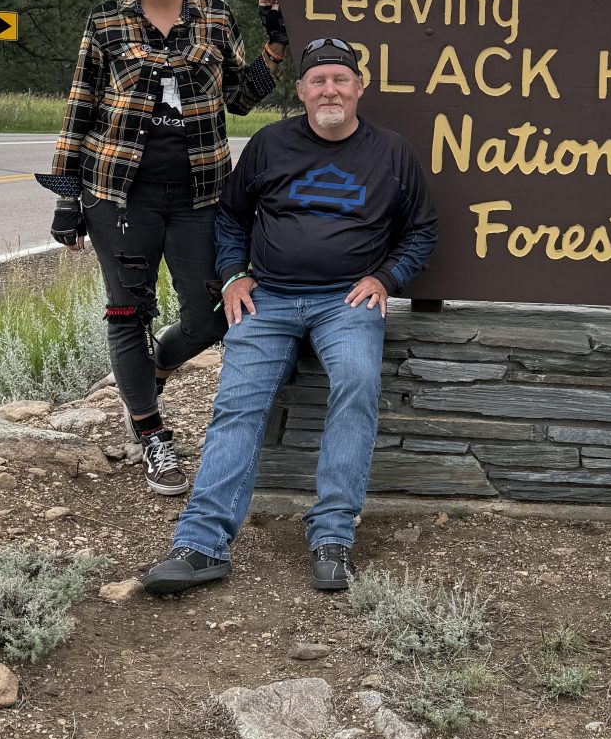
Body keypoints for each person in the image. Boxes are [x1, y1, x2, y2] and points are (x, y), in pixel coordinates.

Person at [139, 37, 437, 597]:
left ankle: (332, 537)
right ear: (301, 91)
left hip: (346, 301)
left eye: (341, 80)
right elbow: (230, 218)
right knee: (236, 403)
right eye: (318, 80)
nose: (330, 89)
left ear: (359, 88)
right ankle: (200, 544)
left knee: (357, 382)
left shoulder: (391, 153)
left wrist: (385, 279)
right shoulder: (271, 144)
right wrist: (233, 276)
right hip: (267, 296)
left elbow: (421, 229)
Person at [40, 0, 286, 496]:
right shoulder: (105, 22)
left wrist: (276, 38)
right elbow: (80, 108)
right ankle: (152, 434)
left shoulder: (214, 16)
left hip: (202, 192)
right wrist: (67, 197)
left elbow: (241, 97)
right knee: (129, 311)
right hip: (118, 194)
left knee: (210, 316)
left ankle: (155, 369)